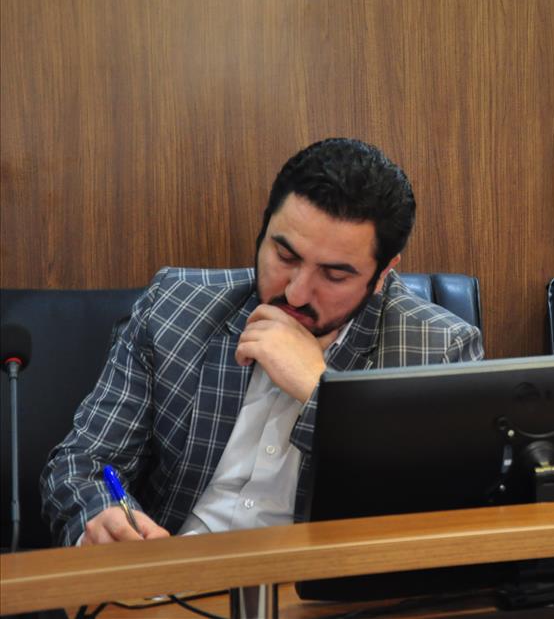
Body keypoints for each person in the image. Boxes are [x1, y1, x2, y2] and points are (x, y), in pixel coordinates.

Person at [42, 138, 483, 545]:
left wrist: (322, 393)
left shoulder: (437, 349)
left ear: (383, 273)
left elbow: (441, 517)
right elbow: (83, 464)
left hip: (317, 588)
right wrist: (102, 520)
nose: (296, 293)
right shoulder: (176, 307)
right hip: (172, 578)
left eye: (334, 275)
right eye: (285, 256)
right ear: (265, 226)